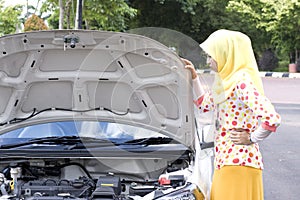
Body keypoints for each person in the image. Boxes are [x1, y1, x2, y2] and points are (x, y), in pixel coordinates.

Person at [182, 29, 281, 200]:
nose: (208, 61)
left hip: (239, 162)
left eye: (211, 56)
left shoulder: (241, 83)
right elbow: (203, 104)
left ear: (226, 55)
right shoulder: (225, 82)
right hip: (226, 160)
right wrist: (194, 77)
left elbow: (272, 119)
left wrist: (251, 138)